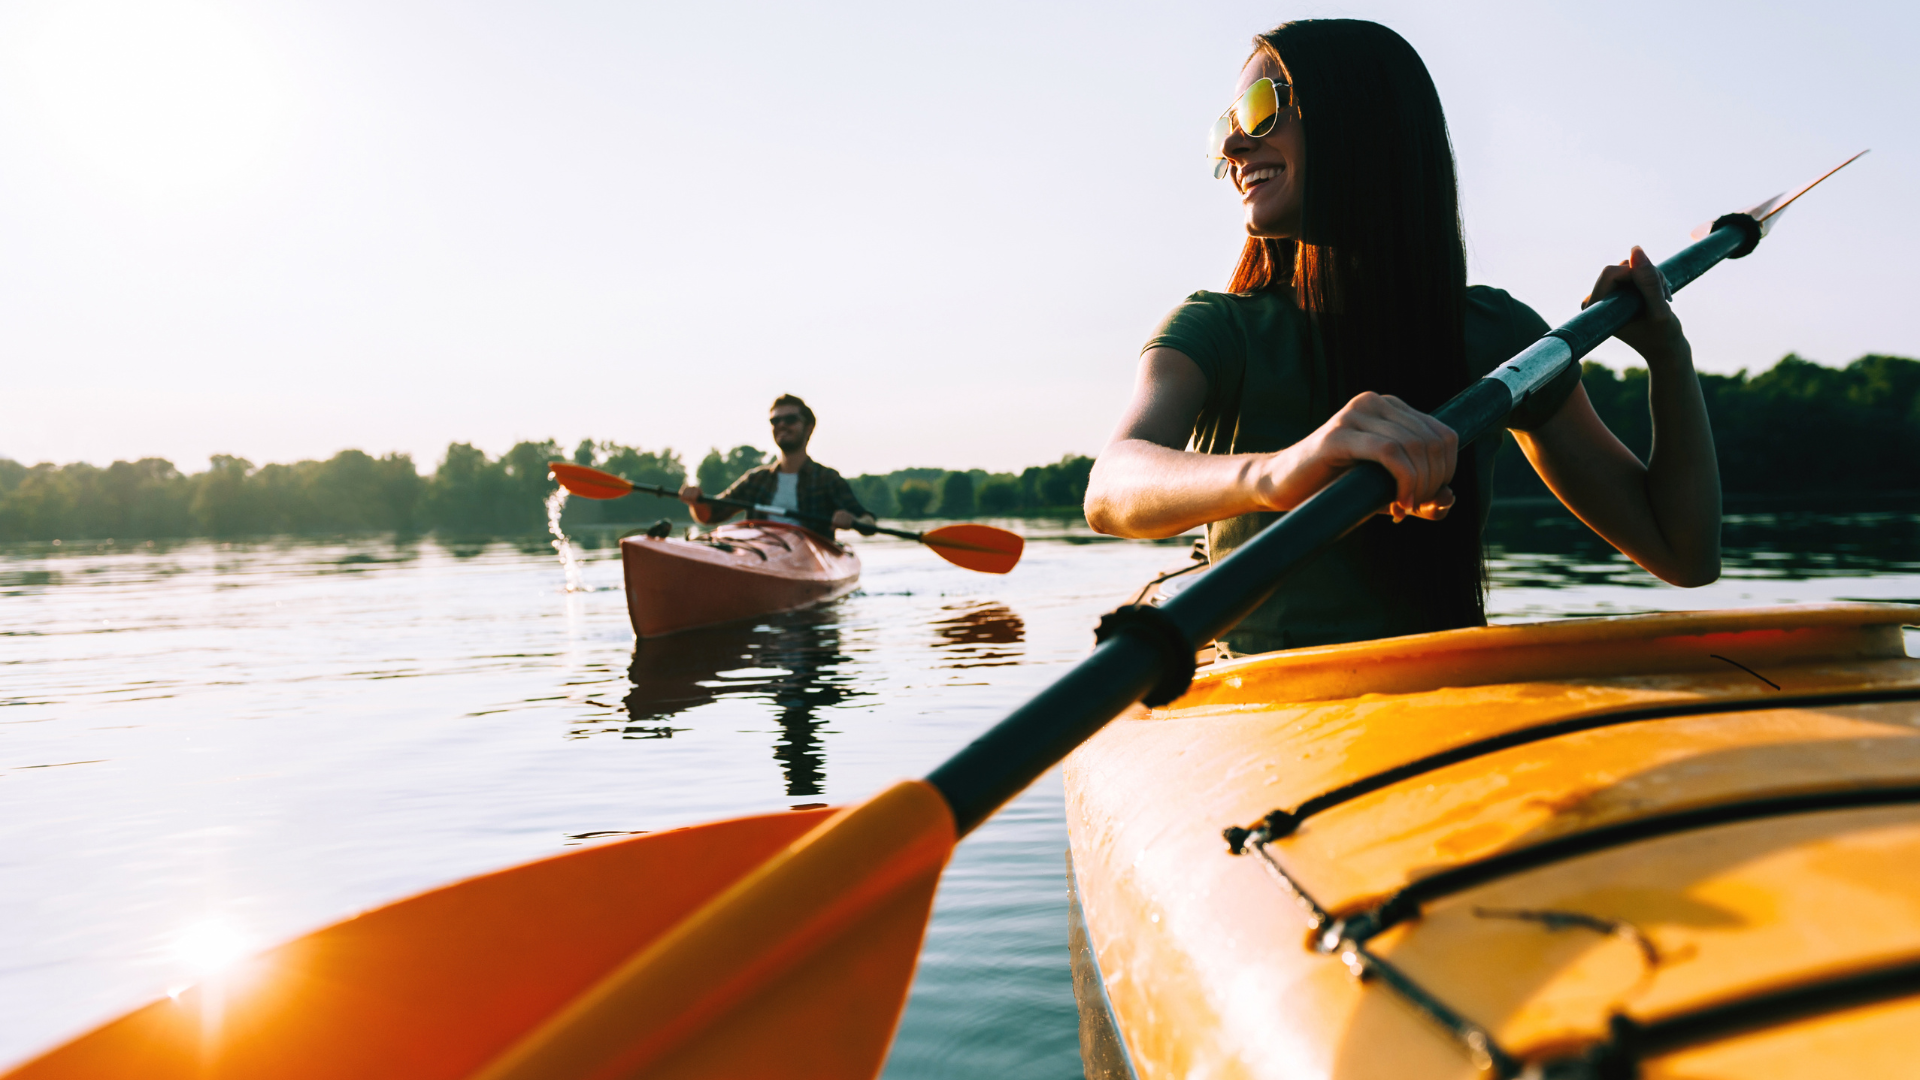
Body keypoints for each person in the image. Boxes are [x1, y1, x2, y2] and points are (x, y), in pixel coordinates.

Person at [1084, 19, 1721, 657]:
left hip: (1442, 698)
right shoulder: (1215, 330)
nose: (1235, 147)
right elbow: (1110, 490)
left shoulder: (1497, 337)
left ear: (1360, 120)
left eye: (1260, 110)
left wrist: (1668, 354)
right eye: (1228, 127)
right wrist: (1280, 472)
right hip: (1259, 711)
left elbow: (1683, 553)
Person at [678, 394, 877, 535]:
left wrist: (853, 521)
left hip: (807, 557)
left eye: (790, 419)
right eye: (775, 421)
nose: (781, 425)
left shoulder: (827, 479)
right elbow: (711, 515)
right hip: (760, 552)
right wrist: (696, 502)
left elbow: (868, 520)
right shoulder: (756, 479)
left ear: (808, 427)